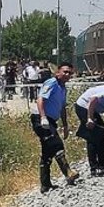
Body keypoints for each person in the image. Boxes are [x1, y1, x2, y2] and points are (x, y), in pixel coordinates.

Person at [29, 62, 79, 193]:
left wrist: (65, 125)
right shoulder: (51, 83)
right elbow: (40, 99)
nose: (67, 75)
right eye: (65, 72)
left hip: (52, 120)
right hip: (41, 119)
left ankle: (45, 185)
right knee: (57, 144)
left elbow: (62, 108)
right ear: (58, 72)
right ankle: (68, 172)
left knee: (47, 152)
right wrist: (43, 117)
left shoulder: (63, 89)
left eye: (70, 73)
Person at [74, 84, 104, 176]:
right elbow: (93, 99)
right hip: (84, 105)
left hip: (93, 109)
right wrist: (89, 119)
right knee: (93, 136)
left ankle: (102, 164)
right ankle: (94, 167)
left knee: (102, 134)